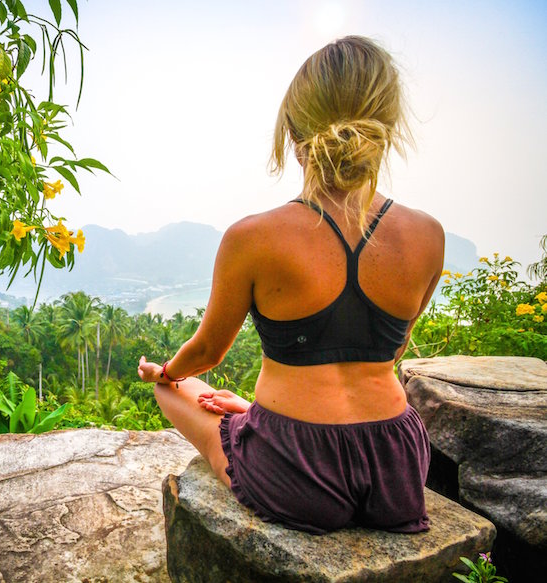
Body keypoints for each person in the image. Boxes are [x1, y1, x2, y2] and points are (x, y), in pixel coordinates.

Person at [137, 36, 444, 535]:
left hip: (294, 465)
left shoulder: (252, 237)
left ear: (294, 135)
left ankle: (235, 419)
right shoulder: (428, 235)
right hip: (397, 465)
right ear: (385, 128)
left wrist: (165, 371)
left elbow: (209, 352)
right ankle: (253, 417)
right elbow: (389, 351)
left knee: (175, 389)